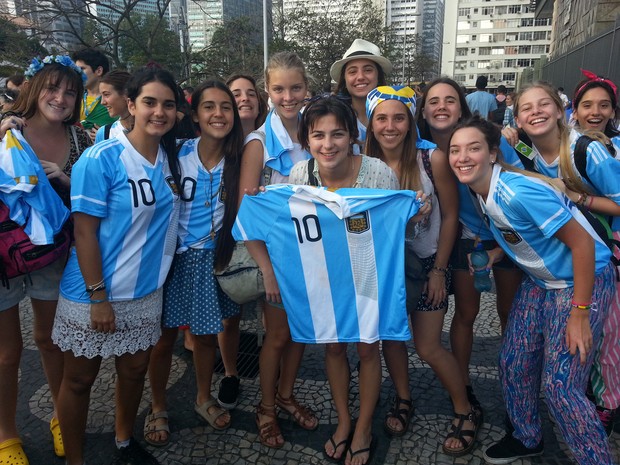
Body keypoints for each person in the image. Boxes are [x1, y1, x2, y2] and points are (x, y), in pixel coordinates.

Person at [448, 115, 616, 465]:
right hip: (541, 282)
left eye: (473, 148)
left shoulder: (515, 190)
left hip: (581, 281)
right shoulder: (481, 189)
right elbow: (525, 233)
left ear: (493, 153)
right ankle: (527, 438)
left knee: (561, 387)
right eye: (455, 150)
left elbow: (583, 245)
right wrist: (497, 253)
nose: (463, 157)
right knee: (513, 361)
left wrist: (580, 313)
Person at [52, 67, 182, 465]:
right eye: (149, 102)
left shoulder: (171, 158)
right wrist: (98, 298)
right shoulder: (101, 157)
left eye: (168, 104)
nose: (159, 112)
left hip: (144, 292)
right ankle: (75, 459)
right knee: (78, 380)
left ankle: (124, 441)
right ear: (131, 105)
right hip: (95, 291)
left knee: (133, 372)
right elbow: (85, 233)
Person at [287, 95, 404, 465]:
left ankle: (364, 426)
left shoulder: (379, 173)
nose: (328, 144)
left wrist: (414, 211)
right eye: (318, 135)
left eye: (337, 134)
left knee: (369, 348)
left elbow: (393, 233)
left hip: (369, 272)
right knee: (333, 348)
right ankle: (343, 420)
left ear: (353, 135)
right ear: (306, 140)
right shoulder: (299, 176)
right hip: (323, 274)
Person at [365, 86, 479, 456]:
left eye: (399, 117)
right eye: (381, 118)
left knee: (428, 346)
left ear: (411, 120)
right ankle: (403, 398)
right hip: (385, 266)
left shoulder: (432, 158)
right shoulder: (361, 161)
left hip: (430, 262)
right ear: (371, 123)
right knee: (392, 340)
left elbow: (450, 217)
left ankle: (464, 409)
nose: (390, 125)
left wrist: (438, 271)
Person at [513, 82, 620, 435]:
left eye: (544, 104)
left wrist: (576, 196)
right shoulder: (526, 151)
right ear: (518, 119)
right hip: (561, 261)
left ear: (560, 111)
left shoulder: (587, 150)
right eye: (527, 108)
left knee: (600, 338)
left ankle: (600, 407)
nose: (536, 112)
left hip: (601, 255)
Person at [0, 54, 90, 464]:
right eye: (53, 88)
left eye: (70, 92)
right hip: (3, 256)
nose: (61, 98)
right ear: (35, 88)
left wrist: (67, 180)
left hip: (54, 254)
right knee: (6, 350)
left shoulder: (81, 141)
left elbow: (94, 202)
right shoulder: (4, 133)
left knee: (52, 339)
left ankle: (60, 416)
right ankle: (6, 435)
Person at [145, 80, 244, 446]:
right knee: (162, 338)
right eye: (209, 107)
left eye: (226, 107)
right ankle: (157, 405)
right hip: (171, 258)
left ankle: (203, 397)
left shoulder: (240, 160)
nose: (219, 114)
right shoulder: (175, 152)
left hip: (213, 260)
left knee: (205, 336)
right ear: (195, 114)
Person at [417, 77, 523, 414]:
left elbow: (520, 182)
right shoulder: (421, 148)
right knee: (466, 314)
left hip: (508, 235)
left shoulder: (489, 141)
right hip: (468, 237)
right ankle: (461, 384)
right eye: (434, 101)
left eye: (450, 100)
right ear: (424, 109)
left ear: (462, 107)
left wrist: (501, 134)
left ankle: (515, 386)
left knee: (510, 313)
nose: (442, 106)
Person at [238, 51, 317, 448]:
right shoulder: (258, 143)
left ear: (307, 88)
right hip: (277, 255)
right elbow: (245, 214)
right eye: (279, 89)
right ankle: (266, 407)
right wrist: (266, 268)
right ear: (267, 91)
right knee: (277, 336)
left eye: (296, 87)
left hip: (311, 249)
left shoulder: (314, 131)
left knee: (300, 331)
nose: (288, 96)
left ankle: (286, 395)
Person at [330, 39, 392, 150]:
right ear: (344, 79)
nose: (360, 77)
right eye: (352, 72)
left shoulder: (395, 114)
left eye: (368, 70)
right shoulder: (334, 116)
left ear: (378, 76)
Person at [571, 69, 619, 155]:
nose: (596, 112)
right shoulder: (561, 148)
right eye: (587, 106)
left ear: (612, 112)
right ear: (575, 113)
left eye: (604, 105)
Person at [72, 48, 116, 139]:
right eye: (76, 70)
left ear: (99, 70)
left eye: (82, 69)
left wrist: (109, 135)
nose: (77, 74)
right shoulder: (73, 98)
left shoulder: (115, 101)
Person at [94, 70, 132, 143]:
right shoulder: (105, 133)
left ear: (125, 94)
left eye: (106, 94)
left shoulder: (151, 128)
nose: (102, 102)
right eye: (101, 96)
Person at [226, 74, 268, 139]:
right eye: (236, 95)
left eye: (251, 94)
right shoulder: (215, 146)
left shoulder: (273, 142)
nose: (245, 98)